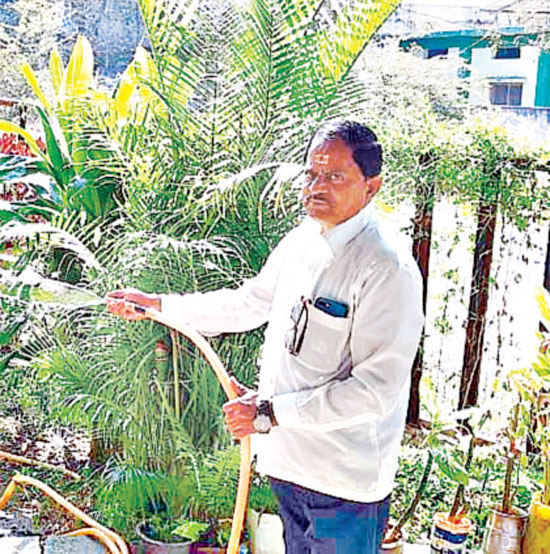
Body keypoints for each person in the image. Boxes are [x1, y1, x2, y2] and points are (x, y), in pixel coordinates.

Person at [107, 120, 424, 553]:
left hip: (344, 484)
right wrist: (161, 306)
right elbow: (248, 303)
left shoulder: (386, 267)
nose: (316, 187)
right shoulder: (303, 241)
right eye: (311, 173)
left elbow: (374, 393)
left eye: (334, 176)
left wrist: (268, 412)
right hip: (290, 465)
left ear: (372, 186)